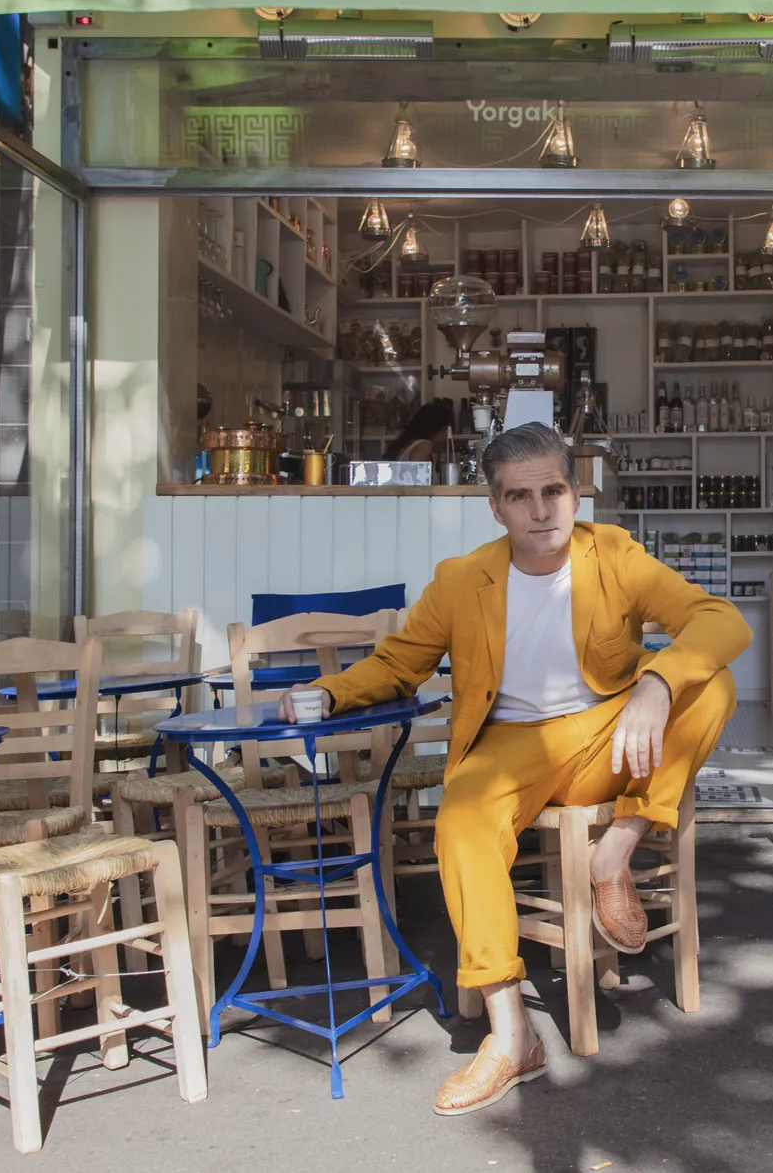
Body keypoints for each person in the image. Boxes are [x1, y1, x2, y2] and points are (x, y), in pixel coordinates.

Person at [315, 420, 749, 1115]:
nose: (541, 510)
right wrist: (324, 694)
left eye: (554, 491)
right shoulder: (463, 580)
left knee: (712, 683)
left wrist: (656, 684)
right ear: (496, 507)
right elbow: (399, 664)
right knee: (458, 822)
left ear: (577, 495)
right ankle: (512, 1036)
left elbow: (720, 620)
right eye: (521, 497)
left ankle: (619, 851)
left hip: (607, 737)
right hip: (513, 745)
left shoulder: (614, 555)